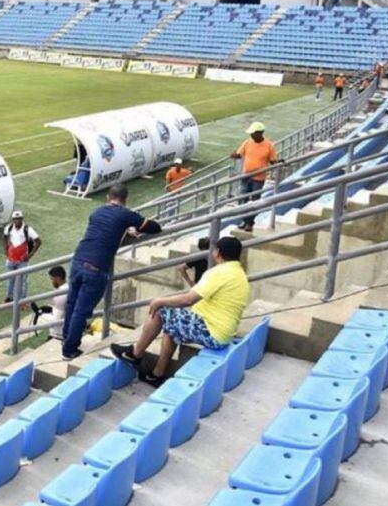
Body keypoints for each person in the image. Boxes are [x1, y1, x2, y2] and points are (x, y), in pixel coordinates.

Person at [112, 237, 250, 386]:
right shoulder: (240, 274)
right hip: (222, 333)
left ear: (218, 252)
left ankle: (135, 354)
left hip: (212, 332)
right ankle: (157, 374)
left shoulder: (219, 273)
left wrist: (160, 300)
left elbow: (188, 300)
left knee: (161, 311)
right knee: (172, 325)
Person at [63, 185, 162, 359]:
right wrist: (133, 230)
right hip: (96, 267)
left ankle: (66, 339)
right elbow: (154, 227)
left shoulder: (97, 212)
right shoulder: (126, 214)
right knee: (81, 311)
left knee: (71, 304)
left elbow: (105, 230)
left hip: (78, 261)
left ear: (108, 197)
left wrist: (125, 232)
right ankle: (69, 349)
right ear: (125, 199)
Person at [230, 122, 280, 232]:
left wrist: (278, 162)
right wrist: (234, 155)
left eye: (253, 133)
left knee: (255, 201)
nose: (251, 135)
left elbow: (273, 161)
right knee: (242, 199)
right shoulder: (248, 142)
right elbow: (239, 154)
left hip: (258, 179)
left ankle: (249, 223)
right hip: (246, 176)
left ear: (260, 133)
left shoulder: (268, 145)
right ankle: (245, 220)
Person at [3, 211, 41, 304]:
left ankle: (22, 301)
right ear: (12, 220)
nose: (17, 220)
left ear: (22, 219)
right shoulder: (9, 228)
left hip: (22, 261)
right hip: (11, 259)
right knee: (10, 279)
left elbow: (38, 241)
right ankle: (9, 297)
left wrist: (30, 255)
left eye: (18, 218)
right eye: (15, 219)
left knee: (23, 281)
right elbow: (4, 238)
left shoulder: (28, 229)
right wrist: (6, 252)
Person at [30, 267, 69, 340]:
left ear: (57, 278)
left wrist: (40, 313)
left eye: (52, 279)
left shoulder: (60, 295)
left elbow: (56, 320)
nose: (51, 281)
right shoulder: (69, 287)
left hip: (58, 335)